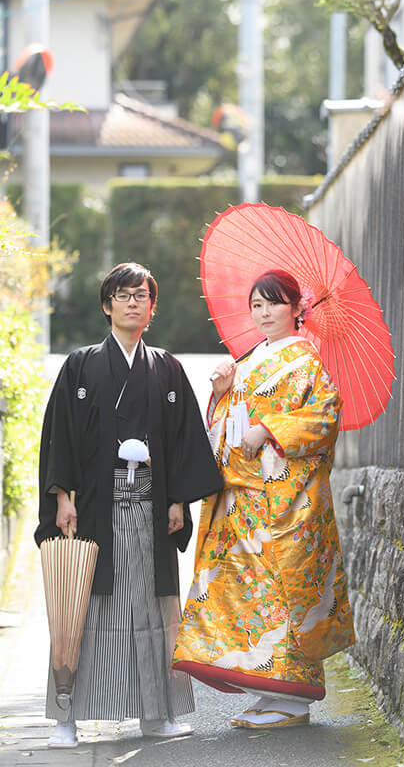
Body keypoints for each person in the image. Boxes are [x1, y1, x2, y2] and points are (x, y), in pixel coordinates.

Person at [35, 262, 223, 749]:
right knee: (79, 606)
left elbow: (184, 441)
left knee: (151, 610)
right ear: (107, 305)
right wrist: (61, 498)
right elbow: (61, 437)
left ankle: (155, 715)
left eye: (142, 295)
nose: (133, 302)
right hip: (94, 507)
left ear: (152, 306)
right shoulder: (80, 364)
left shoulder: (166, 367)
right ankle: (65, 719)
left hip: (150, 507)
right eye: (123, 295)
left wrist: (178, 499)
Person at [173, 268, 355, 729]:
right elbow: (226, 424)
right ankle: (265, 688)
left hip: (284, 503)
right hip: (243, 500)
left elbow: (323, 417)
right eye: (257, 305)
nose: (264, 312)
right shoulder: (253, 358)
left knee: (283, 593)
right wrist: (219, 394)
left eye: (274, 303)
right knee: (245, 596)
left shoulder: (306, 360)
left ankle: (292, 697)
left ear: (298, 308)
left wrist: (268, 429)